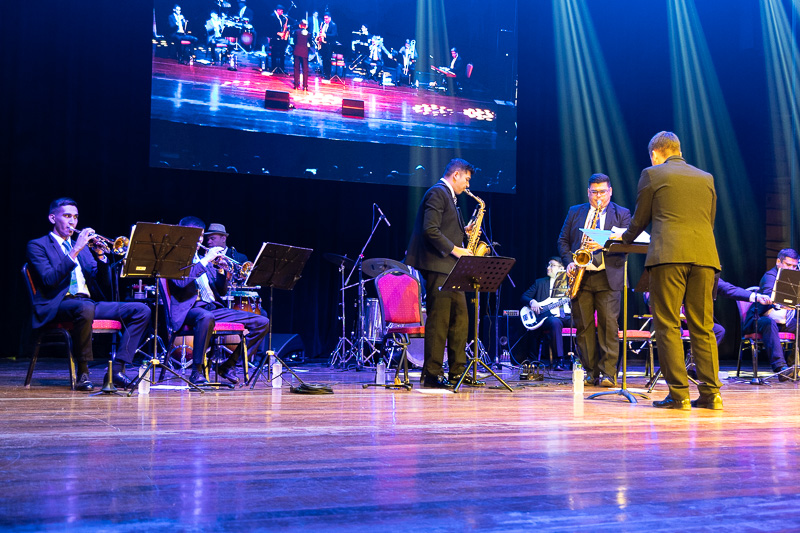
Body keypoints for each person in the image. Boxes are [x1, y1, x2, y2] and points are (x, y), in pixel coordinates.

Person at [621, 131, 722, 410]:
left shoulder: (652, 174)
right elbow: (709, 222)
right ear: (678, 150)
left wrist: (623, 240)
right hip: (704, 257)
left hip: (668, 256)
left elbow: (640, 219)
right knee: (703, 327)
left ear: (656, 154)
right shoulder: (706, 177)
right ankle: (712, 395)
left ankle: (679, 395)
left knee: (668, 326)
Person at [26, 198, 151, 391]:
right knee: (84, 307)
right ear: (52, 218)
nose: (72, 222)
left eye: (75, 217)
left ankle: (116, 371)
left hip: (87, 303)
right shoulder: (38, 245)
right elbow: (49, 280)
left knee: (141, 310)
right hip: (58, 303)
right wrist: (75, 250)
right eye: (67, 216)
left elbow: (102, 284)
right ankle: (83, 372)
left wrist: (101, 257)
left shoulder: (83, 249)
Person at [165, 217, 269, 386]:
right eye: (195, 236)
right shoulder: (173, 258)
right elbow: (181, 282)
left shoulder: (202, 259)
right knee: (205, 317)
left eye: (200, 236)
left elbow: (220, 291)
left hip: (213, 309)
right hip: (189, 310)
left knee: (262, 322)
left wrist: (224, 272)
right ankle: (196, 372)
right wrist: (206, 261)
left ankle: (228, 366)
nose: (199, 240)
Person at [405, 159, 479, 388]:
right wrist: (457, 250)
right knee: (439, 322)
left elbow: (441, 228)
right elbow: (430, 230)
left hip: (450, 269)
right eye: (466, 179)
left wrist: (462, 231)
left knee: (460, 320)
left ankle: (458, 371)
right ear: (456, 175)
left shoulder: (450, 197)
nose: (467, 185)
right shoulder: (437, 193)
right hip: (439, 267)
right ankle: (432, 374)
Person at [557, 173, 631, 387]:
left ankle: (609, 374)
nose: (599, 197)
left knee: (609, 325)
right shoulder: (575, 211)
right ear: (588, 192)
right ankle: (591, 373)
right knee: (584, 326)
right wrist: (569, 261)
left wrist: (604, 243)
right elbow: (562, 240)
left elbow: (627, 243)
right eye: (594, 192)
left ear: (610, 191)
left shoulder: (622, 214)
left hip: (608, 277)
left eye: (603, 192)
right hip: (581, 275)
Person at [744, 248, 799, 380]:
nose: (791, 269)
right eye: (788, 265)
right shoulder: (770, 276)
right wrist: (781, 303)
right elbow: (769, 294)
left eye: (794, 266)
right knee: (769, 323)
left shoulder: (796, 278)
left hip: (783, 321)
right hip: (760, 319)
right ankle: (780, 368)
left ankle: (794, 366)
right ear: (778, 262)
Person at [520, 257, 571, 369]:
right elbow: (523, 297)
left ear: (561, 268)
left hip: (567, 316)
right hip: (548, 318)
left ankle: (585, 362)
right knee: (555, 322)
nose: (548, 268)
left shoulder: (570, 283)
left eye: (552, 265)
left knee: (584, 322)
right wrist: (532, 301)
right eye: (548, 265)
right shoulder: (540, 283)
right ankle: (559, 361)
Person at [317, 12, 337, 79]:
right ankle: (324, 73)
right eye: (324, 18)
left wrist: (325, 35)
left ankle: (328, 74)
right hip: (323, 44)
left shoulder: (333, 25)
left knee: (328, 59)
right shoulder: (323, 24)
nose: (325, 20)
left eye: (326, 18)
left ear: (330, 18)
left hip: (329, 45)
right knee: (324, 59)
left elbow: (334, 35)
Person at [270, 4, 289, 72]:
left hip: (281, 38)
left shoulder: (281, 17)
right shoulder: (272, 16)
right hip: (275, 37)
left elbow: (281, 26)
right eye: (281, 11)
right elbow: (270, 29)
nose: (282, 13)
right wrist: (278, 33)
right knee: (274, 53)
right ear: (278, 10)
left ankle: (281, 68)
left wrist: (285, 28)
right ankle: (273, 67)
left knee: (282, 53)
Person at [292, 20, 310, 90]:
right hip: (304, 52)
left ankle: (296, 85)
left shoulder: (296, 32)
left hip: (297, 51)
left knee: (297, 68)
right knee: (305, 69)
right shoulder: (309, 33)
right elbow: (310, 43)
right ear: (306, 26)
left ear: (300, 25)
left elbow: (294, 41)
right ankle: (305, 86)